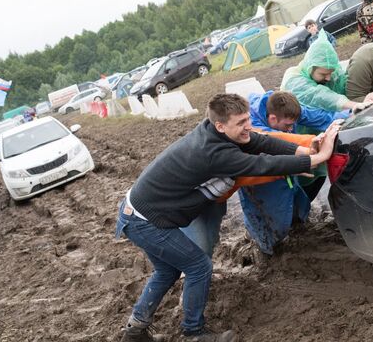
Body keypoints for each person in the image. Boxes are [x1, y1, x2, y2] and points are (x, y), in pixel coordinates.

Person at [115, 93, 340, 342]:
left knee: (166, 272)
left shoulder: (216, 132)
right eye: (241, 122)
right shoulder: (214, 153)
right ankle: (193, 332)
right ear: (220, 125)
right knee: (198, 266)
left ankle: (134, 332)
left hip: (138, 210)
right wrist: (316, 159)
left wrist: (304, 149)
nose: (248, 126)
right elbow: (262, 165)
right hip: (143, 220)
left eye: (247, 118)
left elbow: (261, 142)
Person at [237, 91, 342, 254]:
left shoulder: (283, 108)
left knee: (298, 207)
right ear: (272, 119)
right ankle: (267, 249)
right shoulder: (251, 128)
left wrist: (350, 113)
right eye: (287, 126)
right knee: (270, 222)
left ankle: (297, 229)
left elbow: (314, 115)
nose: (291, 128)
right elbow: (276, 142)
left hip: (287, 171)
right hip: (260, 181)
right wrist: (312, 151)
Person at [281, 29, 373, 113]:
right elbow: (320, 96)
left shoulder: (333, 72)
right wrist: (355, 105)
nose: (329, 78)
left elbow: (348, 87)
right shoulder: (293, 79)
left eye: (331, 73)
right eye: (323, 74)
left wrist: (366, 97)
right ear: (311, 68)